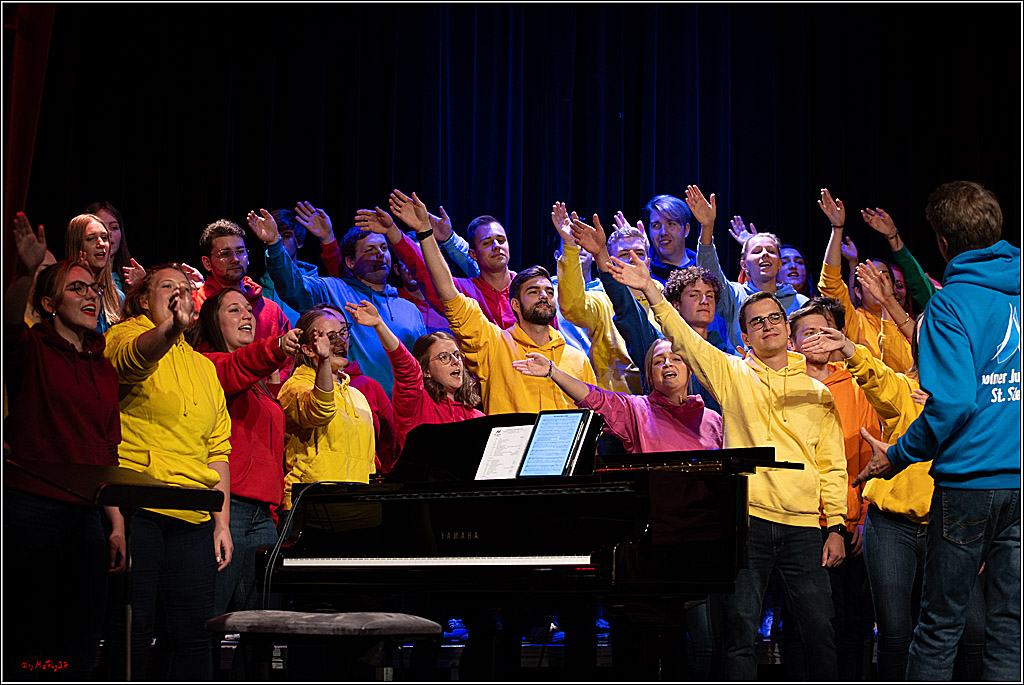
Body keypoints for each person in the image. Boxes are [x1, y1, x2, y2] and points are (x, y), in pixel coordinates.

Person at [607, 250, 847, 681]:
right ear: (745, 337)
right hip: (749, 524)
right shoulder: (732, 373)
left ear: (788, 332)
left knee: (819, 634)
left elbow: (832, 465)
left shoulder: (818, 391)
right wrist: (649, 290)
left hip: (806, 528)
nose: (768, 325)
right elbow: (686, 342)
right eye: (757, 322)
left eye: (775, 317)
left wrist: (837, 527)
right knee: (738, 635)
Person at [852, 180, 1020, 681]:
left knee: (939, 627)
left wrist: (897, 455)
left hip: (970, 484)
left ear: (944, 243)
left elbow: (953, 405)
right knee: (1009, 626)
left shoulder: (952, 305)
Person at [3, 212, 123, 681]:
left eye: (93, 289)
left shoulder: (103, 365)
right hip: (31, 508)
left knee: (80, 634)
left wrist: (114, 524)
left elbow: (107, 450)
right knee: (32, 638)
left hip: (87, 512)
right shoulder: (31, 347)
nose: (90, 295)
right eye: (77, 289)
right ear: (50, 303)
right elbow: (8, 322)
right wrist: (27, 272)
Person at [102, 263, 233, 681]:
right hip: (139, 505)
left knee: (193, 637)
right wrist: (171, 329)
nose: (179, 293)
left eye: (184, 288)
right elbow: (132, 361)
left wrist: (222, 523)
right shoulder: (124, 334)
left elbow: (218, 448)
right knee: (133, 632)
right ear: (143, 298)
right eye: (166, 287)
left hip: (193, 513)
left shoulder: (203, 366)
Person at [394, 191, 596, 415]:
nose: (543, 295)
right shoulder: (495, 345)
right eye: (533, 291)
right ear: (515, 305)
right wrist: (425, 232)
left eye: (549, 291)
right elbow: (446, 291)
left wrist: (570, 244)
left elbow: (592, 415)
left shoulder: (577, 359)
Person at [190, 289, 301, 634]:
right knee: (208, 622)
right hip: (229, 507)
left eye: (249, 310)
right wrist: (277, 347)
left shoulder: (259, 387)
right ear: (213, 322)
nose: (247, 316)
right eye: (234, 310)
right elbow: (237, 366)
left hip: (262, 515)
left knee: (263, 628)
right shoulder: (209, 366)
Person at [788, 299, 882, 679]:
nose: (819, 338)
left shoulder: (858, 386)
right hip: (799, 523)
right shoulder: (783, 385)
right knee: (804, 627)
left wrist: (860, 517)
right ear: (792, 343)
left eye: (826, 329)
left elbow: (870, 456)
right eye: (808, 332)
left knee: (854, 626)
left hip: (851, 521)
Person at [250, 208, 427, 397]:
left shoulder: (410, 309)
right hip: (351, 408)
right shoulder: (332, 290)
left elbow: (423, 365)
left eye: (384, 248)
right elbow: (293, 285)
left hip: (405, 412)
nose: (380, 254)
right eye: (370, 249)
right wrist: (275, 244)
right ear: (350, 262)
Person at [570, 213, 722, 415]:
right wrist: (602, 257)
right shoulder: (659, 348)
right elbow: (628, 311)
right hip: (659, 431)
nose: (704, 301)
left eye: (710, 295)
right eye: (694, 295)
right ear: (674, 305)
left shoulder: (722, 348)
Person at [345, 300, 484, 459]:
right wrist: (380, 325)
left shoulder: (478, 418)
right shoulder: (416, 407)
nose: (455, 361)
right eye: (444, 357)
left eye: (457, 355)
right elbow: (407, 369)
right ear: (426, 371)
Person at [690, 185, 809, 356]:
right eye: (757, 251)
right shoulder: (734, 295)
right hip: (744, 376)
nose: (765, 255)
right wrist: (707, 227)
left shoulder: (801, 303)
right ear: (744, 265)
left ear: (779, 264)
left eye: (771, 251)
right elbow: (710, 274)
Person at [277, 303, 376, 511]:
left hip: (358, 507)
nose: (341, 341)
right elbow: (320, 412)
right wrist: (323, 360)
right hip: (313, 505)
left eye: (342, 332)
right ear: (307, 349)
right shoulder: (295, 387)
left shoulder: (357, 395)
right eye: (330, 337)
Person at [383, 189, 519, 329]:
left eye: (501, 240)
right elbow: (425, 271)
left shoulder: (527, 287)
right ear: (473, 255)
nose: (496, 246)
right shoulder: (464, 291)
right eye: (487, 243)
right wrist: (395, 233)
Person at [817, 188, 913, 372]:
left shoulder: (906, 322)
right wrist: (837, 230)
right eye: (868, 277)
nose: (876, 281)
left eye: (883, 277)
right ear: (858, 291)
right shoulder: (854, 320)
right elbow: (831, 284)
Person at [551, 201, 642, 394]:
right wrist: (570, 245)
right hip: (613, 395)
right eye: (624, 254)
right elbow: (574, 306)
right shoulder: (601, 298)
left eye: (640, 253)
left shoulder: (663, 294)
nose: (632, 259)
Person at [194, 219, 291, 348]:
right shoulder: (195, 304)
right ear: (207, 263)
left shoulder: (271, 311)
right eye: (225, 254)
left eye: (240, 252)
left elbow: (288, 360)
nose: (235, 259)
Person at [63, 213, 123, 333]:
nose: (101, 244)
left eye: (104, 238)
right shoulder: (65, 292)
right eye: (90, 239)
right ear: (77, 245)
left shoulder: (118, 297)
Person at [644, 193, 699, 280]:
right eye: (656, 225)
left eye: (671, 224)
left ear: (686, 229)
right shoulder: (642, 269)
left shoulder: (702, 269)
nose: (663, 232)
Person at [86, 200, 136, 296]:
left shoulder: (129, 277)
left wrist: (141, 286)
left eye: (114, 228)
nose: (108, 233)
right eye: (101, 226)